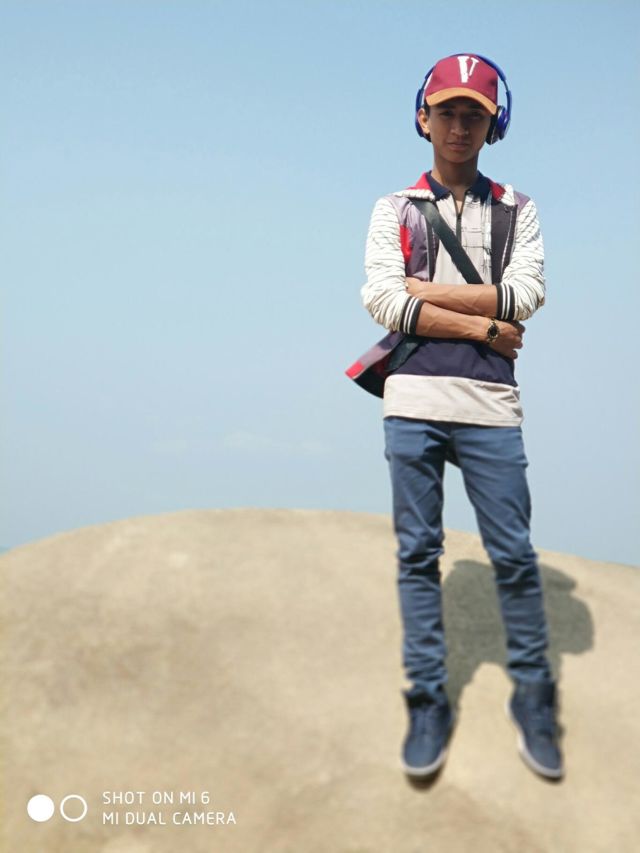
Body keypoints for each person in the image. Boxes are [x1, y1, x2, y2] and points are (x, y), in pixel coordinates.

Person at [359, 53, 564, 780]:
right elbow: (383, 300)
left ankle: (534, 696)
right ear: (424, 118)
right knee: (418, 556)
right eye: (446, 111)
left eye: (473, 114)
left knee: (513, 554)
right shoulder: (393, 208)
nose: (458, 126)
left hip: (491, 405)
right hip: (413, 400)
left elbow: (527, 295)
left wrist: (427, 293)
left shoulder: (518, 208)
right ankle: (426, 700)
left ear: (493, 124)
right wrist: (483, 325)